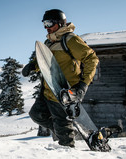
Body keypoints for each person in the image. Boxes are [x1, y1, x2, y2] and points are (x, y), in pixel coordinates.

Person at [22, 9, 99, 147]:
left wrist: (83, 85)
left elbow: (91, 59)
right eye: (44, 24)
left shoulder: (70, 39)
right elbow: (46, 61)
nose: (47, 27)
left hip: (64, 92)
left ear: (60, 23)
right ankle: (65, 130)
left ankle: (68, 148)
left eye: (49, 23)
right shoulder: (49, 42)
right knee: (36, 114)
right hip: (48, 89)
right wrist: (33, 65)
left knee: (63, 128)